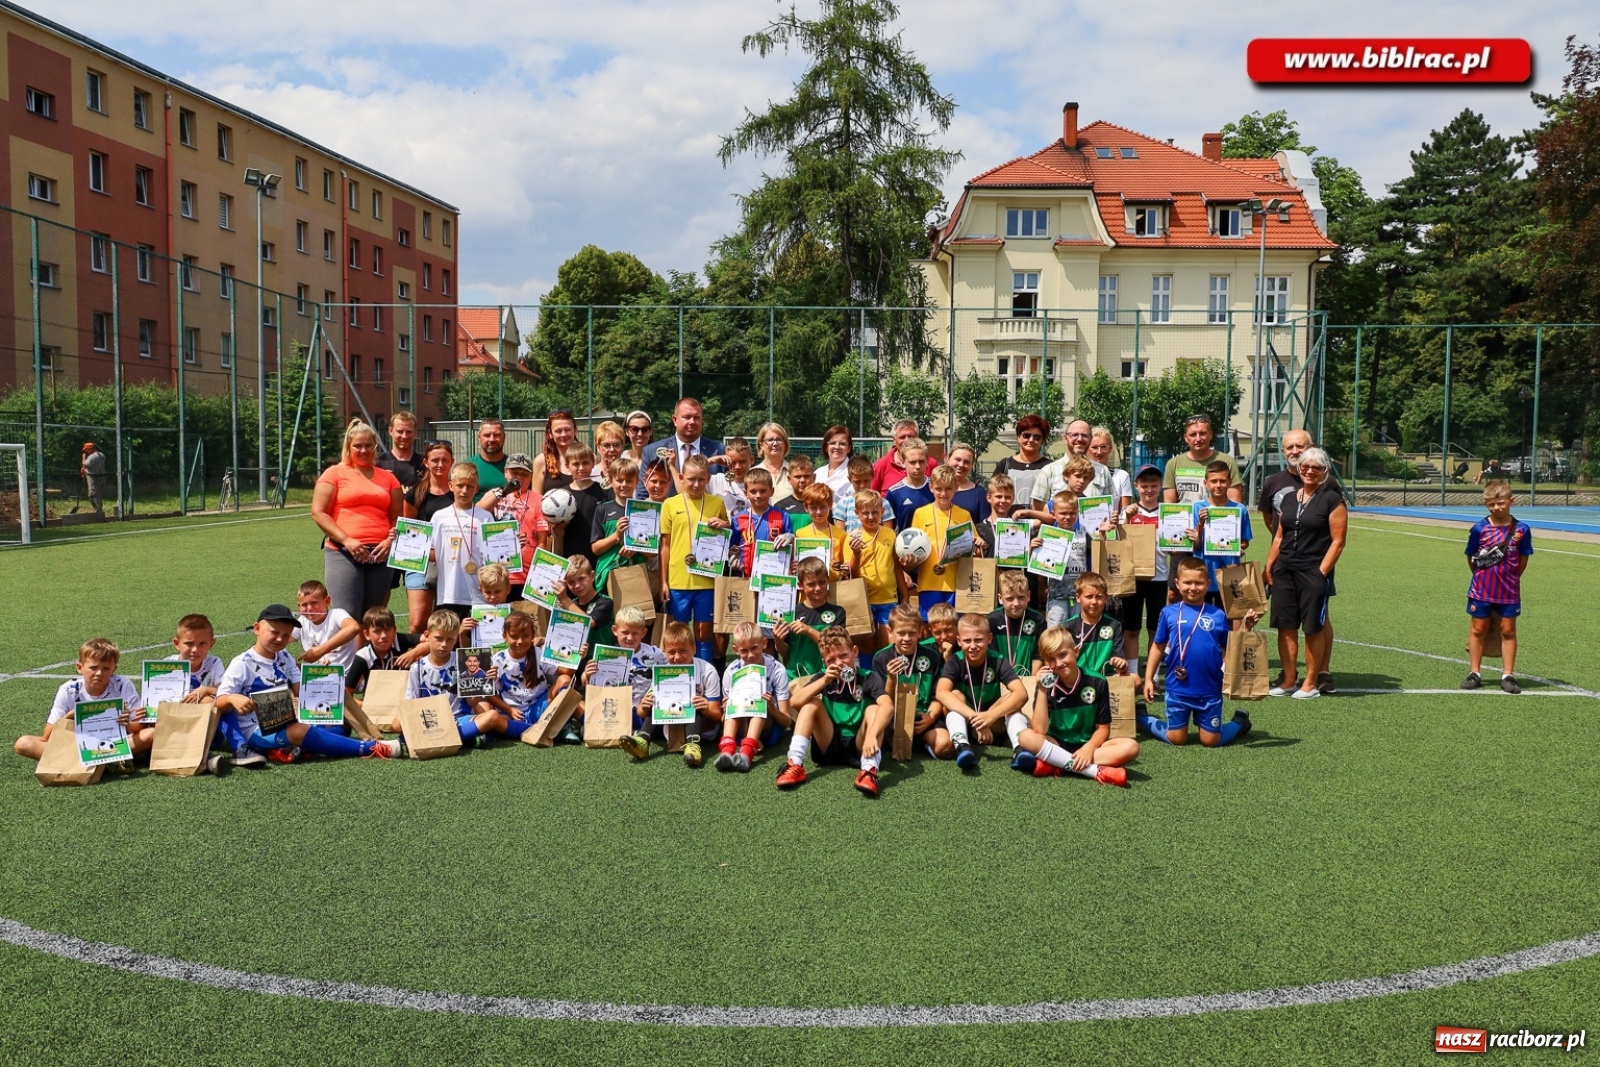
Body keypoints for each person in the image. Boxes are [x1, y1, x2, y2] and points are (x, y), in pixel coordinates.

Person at [216, 604, 398, 763]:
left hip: (285, 721)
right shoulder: (242, 663)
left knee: (341, 726)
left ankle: (289, 750)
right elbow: (218, 702)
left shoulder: (284, 657)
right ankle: (372, 748)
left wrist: (324, 680)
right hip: (256, 730)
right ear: (257, 628)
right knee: (300, 731)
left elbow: (300, 691)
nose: (280, 639)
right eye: (274, 632)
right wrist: (233, 698)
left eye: (286, 635)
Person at [1140, 557, 1255, 747]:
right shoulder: (1168, 613)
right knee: (1176, 739)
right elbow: (1158, 646)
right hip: (1178, 689)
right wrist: (1148, 679)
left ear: (1208, 584)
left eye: (1199, 583)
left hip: (1209, 689)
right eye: (1187, 582)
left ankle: (1240, 722)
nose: (1193, 587)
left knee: (1210, 741)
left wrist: (1246, 628)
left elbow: (1232, 647)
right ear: (1177, 583)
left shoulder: (1217, 615)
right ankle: (1142, 717)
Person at [1257, 429, 1338, 689]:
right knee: (1286, 622)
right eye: (1289, 447)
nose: (1295, 451)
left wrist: (1321, 571)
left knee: (1317, 620)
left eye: (1299, 446)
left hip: (1315, 565)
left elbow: (1338, 538)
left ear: (1311, 447)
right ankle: (1289, 676)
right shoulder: (1276, 484)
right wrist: (1272, 562)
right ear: (1283, 451)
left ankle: (1320, 674)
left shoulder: (1330, 489)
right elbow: (1273, 523)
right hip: (1285, 565)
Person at [775, 625, 894, 796]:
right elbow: (795, 702)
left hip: (860, 745)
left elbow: (888, 706)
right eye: (831, 660)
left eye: (844, 656)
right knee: (811, 704)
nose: (839, 663)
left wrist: (872, 734)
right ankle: (795, 762)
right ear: (824, 662)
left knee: (875, 709)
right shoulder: (823, 677)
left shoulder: (868, 676)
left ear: (855, 652)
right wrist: (825, 680)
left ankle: (869, 770)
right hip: (828, 745)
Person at [1014, 627, 1136, 786]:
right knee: (1025, 737)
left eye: (1063, 655)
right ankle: (1094, 770)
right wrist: (1042, 690)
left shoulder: (1097, 681)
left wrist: (1088, 748)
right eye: (1051, 659)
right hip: (1056, 742)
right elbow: (1039, 731)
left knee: (1131, 747)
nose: (1058, 663)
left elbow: (1103, 728)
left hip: (1089, 745)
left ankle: (1056, 762)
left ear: (1076, 652)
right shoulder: (1046, 684)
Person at [311, 419, 403, 623]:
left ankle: (366, 656)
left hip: (380, 556)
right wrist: (347, 541)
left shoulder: (389, 478)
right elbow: (318, 512)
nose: (364, 450)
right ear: (348, 447)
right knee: (348, 617)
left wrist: (389, 541)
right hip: (343, 553)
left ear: (375, 447)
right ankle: (346, 656)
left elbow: (397, 517)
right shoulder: (334, 473)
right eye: (358, 446)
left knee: (373, 618)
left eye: (368, 445)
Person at [13, 637, 145, 764]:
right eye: (93, 668)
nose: (99, 673)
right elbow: (47, 735)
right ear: (79, 667)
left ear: (114, 669)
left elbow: (139, 726)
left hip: (113, 742)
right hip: (77, 745)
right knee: (24, 743)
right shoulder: (68, 690)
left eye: (106, 668)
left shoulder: (122, 685)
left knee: (150, 734)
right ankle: (104, 763)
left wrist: (127, 723)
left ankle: (87, 763)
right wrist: (69, 717)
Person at [935, 612, 1031, 771]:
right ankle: (962, 747)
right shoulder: (955, 660)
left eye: (978, 639)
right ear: (959, 641)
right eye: (967, 641)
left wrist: (990, 716)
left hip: (993, 726)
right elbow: (941, 692)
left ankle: (1020, 749)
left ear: (989, 638)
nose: (973, 646)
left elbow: (1022, 694)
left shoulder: (998, 659)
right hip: (967, 722)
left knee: (1011, 699)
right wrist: (976, 718)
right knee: (955, 695)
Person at [1461, 480, 1532, 693]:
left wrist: (1510, 578)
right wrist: (1483, 577)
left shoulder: (1521, 530)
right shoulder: (1479, 529)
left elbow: (1522, 560)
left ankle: (1508, 675)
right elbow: (1471, 558)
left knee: (1508, 630)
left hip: (1509, 591)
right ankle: (1475, 673)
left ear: (1511, 501)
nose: (1496, 508)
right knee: (1478, 629)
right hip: (1481, 590)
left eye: (1500, 503)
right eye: (1491, 504)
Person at [622, 620, 723, 767]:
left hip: (701, 729)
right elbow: (641, 713)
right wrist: (644, 706)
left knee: (693, 700)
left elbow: (716, 715)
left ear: (693, 649)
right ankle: (642, 742)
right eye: (671, 652)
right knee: (656, 701)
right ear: (664, 652)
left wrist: (706, 707)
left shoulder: (707, 671)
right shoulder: (663, 672)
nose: (677, 657)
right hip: (670, 727)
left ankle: (693, 746)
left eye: (683, 651)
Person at [658, 453, 729, 663]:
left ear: (708, 478)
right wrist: (664, 581)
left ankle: (705, 675)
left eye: (701, 479)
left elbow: (726, 536)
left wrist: (725, 525)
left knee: (703, 633)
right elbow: (665, 545)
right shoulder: (670, 504)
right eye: (691, 479)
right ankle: (680, 674)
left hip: (706, 578)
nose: (696, 484)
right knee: (678, 634)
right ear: (681, 478)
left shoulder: (717, 503)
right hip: (679, 579)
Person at [872, 604, 952, 759]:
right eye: (901, 633)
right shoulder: (881, 658)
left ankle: (923, 744)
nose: (907, 638)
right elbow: (883, 702)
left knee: (945, 745)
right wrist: (891, 678)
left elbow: (938, 695)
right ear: (890, 632)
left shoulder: (932, 656)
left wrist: (930, 717)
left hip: (922, 717)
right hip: (894, 719)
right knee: (873, 741)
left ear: (920, 632)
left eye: (912, 633)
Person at [717, 621, 792, 771]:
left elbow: (787, 721)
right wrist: (726, 709)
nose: (750, 655)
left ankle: (746, 754)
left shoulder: (777, 670)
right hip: (740, 726)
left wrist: (772, 709)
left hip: (768, 728)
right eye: (744, 651)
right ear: (735, 650)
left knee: (759, 703)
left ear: (764, 643)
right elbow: (722, 720)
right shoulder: (731, 671)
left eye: (754, 648)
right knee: (732, 706)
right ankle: (726, 752)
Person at [1118, 464, 1170, 678]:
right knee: (1131, 628)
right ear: (1136, 486)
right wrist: (1127, 519)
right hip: (1133, 577)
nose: (1149, 490)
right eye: (1144, 485)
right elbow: (1117, 544)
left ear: (1160, 487)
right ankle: (1132, 674)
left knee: (1155, 630)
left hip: (1159, 577)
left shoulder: (1169, 512)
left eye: (1153, 485)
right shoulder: (1127, 512)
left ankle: (1153, 674)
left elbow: (1176, 544)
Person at [902, 465, 972, 619]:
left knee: (953, 625)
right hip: (928, 581)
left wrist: (977, 542)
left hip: (956, 583)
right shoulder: (921, 514)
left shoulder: (964, 515)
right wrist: (909, 562)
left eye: (948, 489)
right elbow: (914, 546)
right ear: (931, 487)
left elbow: (972, 546)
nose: (943, 493)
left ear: (956, 488)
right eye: (939, 488)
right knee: (929, 626)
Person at [479, 452, 548, 602]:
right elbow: (475, 513)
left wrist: (539, 573)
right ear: (505, 473)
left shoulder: (539, 500)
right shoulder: (494, 494)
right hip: (497, 575)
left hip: (526, 575)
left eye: (525, 474)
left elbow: (542, 541)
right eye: (514, 472)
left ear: (531, 477)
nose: (519, 478)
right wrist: (502, 493)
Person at [404, 440, 456, 633]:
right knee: (418, 622)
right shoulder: (415, 494)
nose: (440, 464)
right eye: (435, 460)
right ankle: (415, 660)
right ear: (426, 462)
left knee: (446, 623)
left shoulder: (458, 492)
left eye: (445, 460)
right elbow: (407, 534)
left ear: (452, 461)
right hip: (421, 562)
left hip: (453, 562)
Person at [430, 462, 493, 619]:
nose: (464, 491)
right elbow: (431, 552)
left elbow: (493, 555)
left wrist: (512, 546)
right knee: (449, 638)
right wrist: (407, 545)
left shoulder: (485, 517)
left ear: (477, 489)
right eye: (460, 485)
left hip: (477, 592)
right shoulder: (439, 517)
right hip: (448, 591)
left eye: (470, 486)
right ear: (451, 486)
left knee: (474, 640)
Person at [1187, 460, 1252, 604]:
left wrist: (1239, 548)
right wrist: (1201, 524)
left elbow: (1245, 541)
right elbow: (1196, 545)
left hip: (1230, 572)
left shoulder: (1239, 509)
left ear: (1229, 482)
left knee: (1229, 619)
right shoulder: (1196, 508)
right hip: (1203, 573)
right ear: (1206, 483)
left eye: (1222, 481)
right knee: (1204, 619)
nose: (1218, 485)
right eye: (1214, 481)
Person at [774, 556, 845, 682]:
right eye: (811, 584)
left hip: (828, 676)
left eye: (822, 582)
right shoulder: (791, 614)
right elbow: (786, 653)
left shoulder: (838, 612)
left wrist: (809, 630)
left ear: (828, 581)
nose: (818, 588)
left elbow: (836, 647)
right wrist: (779, 642)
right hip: (796, 677)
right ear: (800, 585)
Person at [1031, 419, 1116, 512]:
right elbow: (1038, 510)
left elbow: (1111, 507)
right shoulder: (1048, 471)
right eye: (1075, 435)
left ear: (1090, 439)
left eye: (1084, 435)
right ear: (1065, 438)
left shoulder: (1102, 470)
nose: (1079, 439)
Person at [641, 397, 720, 496]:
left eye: (696, 418)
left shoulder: (718, 451)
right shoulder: (651, 452)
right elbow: (642, 495)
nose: (692, 422)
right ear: (675, 420)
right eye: (687, 417)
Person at [1162, 414, 1242, 505]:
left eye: (1202, 433)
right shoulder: (1173, 464)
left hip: (1217, 518)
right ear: (1186, 438)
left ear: (1210, 434)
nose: (1198, 439)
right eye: (1192, 435)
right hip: (1185, 518)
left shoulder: (1227, 462)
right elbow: (1169, 505)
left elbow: (1235, 504)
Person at [1064, 573, 1128, 679]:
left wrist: (1122, 665)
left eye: (1099, 597)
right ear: (1078, 598)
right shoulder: (1066, 627)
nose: (1094, 602)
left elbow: (1120, 661)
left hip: (1105, 677)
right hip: (1077, 679)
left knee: (1135, 680)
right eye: (1089, 597)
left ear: (1106, 598)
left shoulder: (1114, 625)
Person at [989, 570, 1045, 678]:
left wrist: (1031, 682)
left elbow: (1038, 656)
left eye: (1021, 597)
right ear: (1000, 598)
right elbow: (992, 657)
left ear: (1028, 596)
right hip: (999, 680)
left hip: (1027, 678)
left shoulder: (1038, 620)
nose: (1016, 603)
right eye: (1010, 598)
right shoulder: (992, 621)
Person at [294, 579, 360, 668]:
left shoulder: (336, 614)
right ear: (299, 606)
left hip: (344, 675)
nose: (309, 608)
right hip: (315, 675)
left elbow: (353, 627)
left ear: (327, 601)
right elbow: (283, 637)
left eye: (314, 603)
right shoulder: (302, 620)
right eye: (304, 605)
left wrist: (321, 650)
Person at [994, 415, 1051, 509]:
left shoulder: (1049, 466)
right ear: (1018, 437)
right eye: (1026, 435)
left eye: (1037, 437)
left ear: (1042, 441)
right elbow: (993, 493)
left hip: (1039, 521)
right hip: (1009, 522)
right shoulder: (1005, 465)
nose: (1031, 440)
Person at [168, 614, 225, 705]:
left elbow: (226, 693)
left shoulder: (214, 663)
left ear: (211, 643)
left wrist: (205, 690)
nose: (195, 650)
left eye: (202, 644)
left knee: (208, 701)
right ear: (177, 643)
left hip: (202, 715)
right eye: (189, 644)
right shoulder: (167, 665)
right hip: (175, 713)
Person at [871, 418, 938, 492]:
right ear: (894, 440)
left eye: (911, 436)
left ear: (918, 438)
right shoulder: (881, 465)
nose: (906, 440)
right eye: (902, 437)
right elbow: (871, 496)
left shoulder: (931, 464)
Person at [882, 438, 934, 527]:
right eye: (912, 462)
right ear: (902, 462)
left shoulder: (936, 487)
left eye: (921, 461)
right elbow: (888, 528)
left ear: (927, 462)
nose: (917, 466)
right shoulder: (894, 493)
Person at [376, 412, 422, 498]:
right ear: (390, 431)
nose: (404, 436)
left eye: (408, 432)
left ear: (415, 433)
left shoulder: (425, 464)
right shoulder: (378, 464)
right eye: (400, 431)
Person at [1089, 427, 1134, 513]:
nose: (1099, 452)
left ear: (1110, 449)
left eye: (1103, 447)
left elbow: (1124, 515)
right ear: (1087, 449)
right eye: (1094, 447)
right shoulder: (1079, 478)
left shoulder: (1121, 476)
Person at [535, 410, 580, 494]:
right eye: (558, 431)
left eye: (567, 429)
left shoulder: (590, 459)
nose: (563, 434)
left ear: (575, 431)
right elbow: (536, 501)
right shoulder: (541, 461)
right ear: (550, 434)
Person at [946, 442, 990, 523]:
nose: (961, 464)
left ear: (971, 465)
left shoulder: (979, 493)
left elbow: (985, 526)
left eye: (966, 462)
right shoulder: (934, 489)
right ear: (948, 459)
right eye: (958, 459)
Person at [754, 422, 794, 501]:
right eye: (770, 440)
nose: (775, 443)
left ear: (785, 444)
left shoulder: (795, 473)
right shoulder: (753, 473)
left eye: (779, 439)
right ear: (761, 445)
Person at [471, 417, 510, 493]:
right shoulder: (468, 465)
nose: (492, 439)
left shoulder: (515, 467)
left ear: (504, 437)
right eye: (487, 435)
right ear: (479, 437)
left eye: (497, 435)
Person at [815, 424, 854, 499]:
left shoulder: (855, 473)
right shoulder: (818, 473)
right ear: (826, 447)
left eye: (842, 444)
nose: (837, 447)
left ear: (849, 448)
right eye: (832, 443)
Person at [592, 421, 627, 486]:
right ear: (598, 447)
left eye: (616, 445)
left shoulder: (630, 473)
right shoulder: (590, 475)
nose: (612, 449)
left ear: (622, 447)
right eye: (606, 445)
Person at [79, 441, 107, 516]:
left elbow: (85, 464)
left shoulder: (92, 457)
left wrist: (83, 457)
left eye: (86, 450)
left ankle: (98, 511)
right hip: (102, 476)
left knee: (92, 494)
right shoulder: (101, 455)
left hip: (93, 478)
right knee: (98, 494)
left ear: (90, 449)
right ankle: (99, 510)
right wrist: (84, 469)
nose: (86, 452)